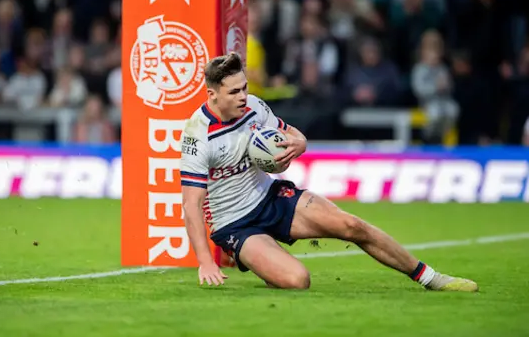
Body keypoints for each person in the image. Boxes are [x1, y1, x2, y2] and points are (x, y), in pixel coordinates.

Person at [181, 52, 478, 291]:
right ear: (213, 94)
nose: (243, 96)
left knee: (352, 226)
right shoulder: (197, 136)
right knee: (298, 280)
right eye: (234, 92)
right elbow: (191, 204)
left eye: (244, 87)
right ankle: (264, 257)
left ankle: (431, 278)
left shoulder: (255, 107)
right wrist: (205, 262)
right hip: (234, 224)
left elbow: (291, 134)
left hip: (270, 197)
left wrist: (300, 143)